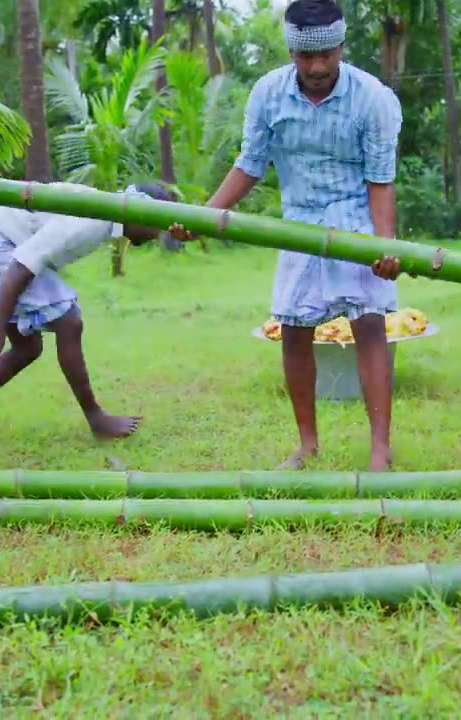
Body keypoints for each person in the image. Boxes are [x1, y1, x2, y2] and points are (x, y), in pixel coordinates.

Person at [169, 0, 404, 472]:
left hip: (355, 218)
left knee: (370, 326)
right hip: (297, 222)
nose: (316, 67)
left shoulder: (373, 99)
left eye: (326, 56)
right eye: (304, 56)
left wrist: (386, 245)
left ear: (341, 47)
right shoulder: (268, 94)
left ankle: (381, 446)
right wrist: (203, 216)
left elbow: (381, 179)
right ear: (291, 51)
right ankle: (307, 444)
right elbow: (250, 164)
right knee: (294, 332)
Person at [0, 182, 174, 439]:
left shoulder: (103, 216)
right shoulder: (94, 219)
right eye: (157, 224)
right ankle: (96, 418)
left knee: (28, 348)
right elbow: (22, 266)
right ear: (139, 212)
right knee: (69, 322)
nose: (156, 234)